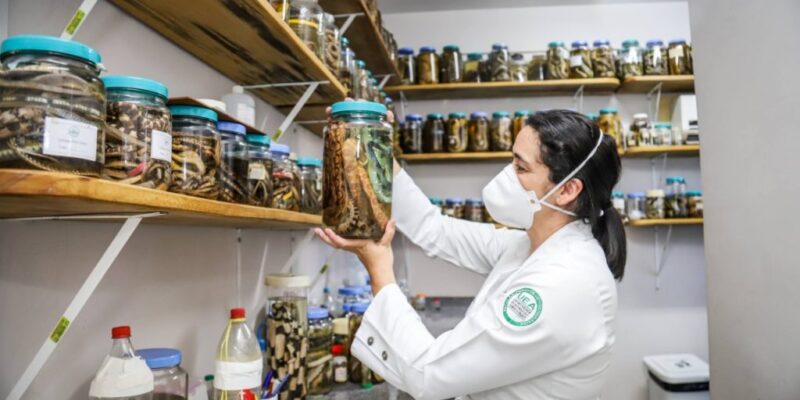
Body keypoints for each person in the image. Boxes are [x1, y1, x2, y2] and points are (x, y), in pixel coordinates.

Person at [315, 109, 625, 400]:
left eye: (521, 168)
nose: (506, 176)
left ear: (567, 190)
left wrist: (379, 270)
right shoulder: (528, 245)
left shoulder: (563, 282)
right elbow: (435, 229)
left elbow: (426, 373)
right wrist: (375, 144)